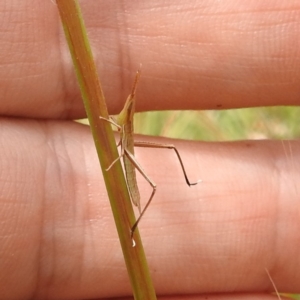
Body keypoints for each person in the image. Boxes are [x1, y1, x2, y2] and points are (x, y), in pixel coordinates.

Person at [0, 1, 299, 299]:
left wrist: (115, 136)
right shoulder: (120, 116)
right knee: (155, 154)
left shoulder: (124, 121)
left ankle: (136, 226)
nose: (129, 102)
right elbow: (115, 125)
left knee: (155, 178)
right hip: (123, 152)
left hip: (127, 156)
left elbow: (120, 133)